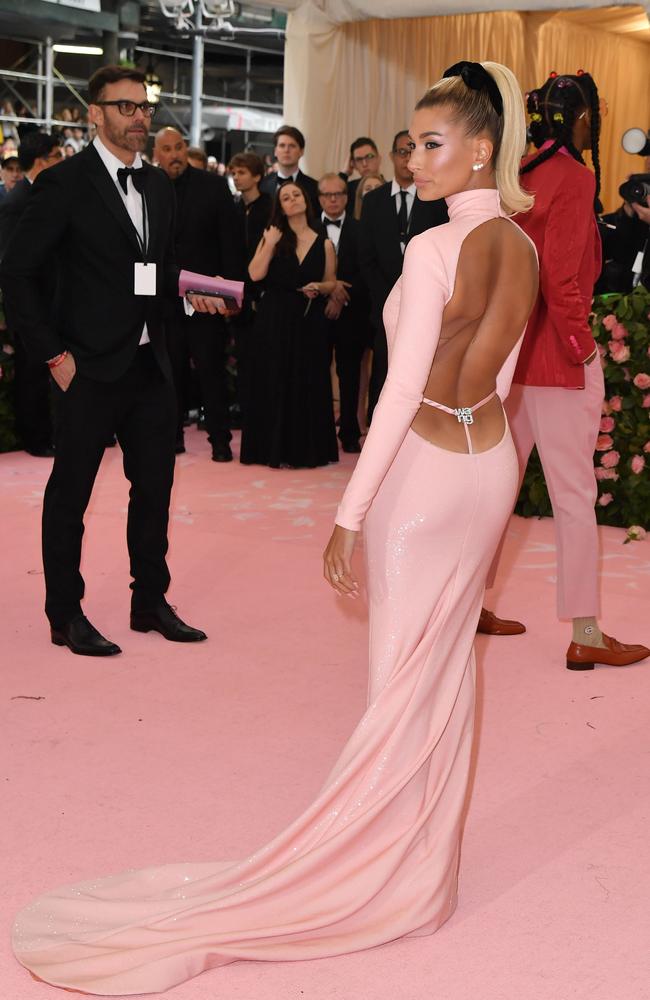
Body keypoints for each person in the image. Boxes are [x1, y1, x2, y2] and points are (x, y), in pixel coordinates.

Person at [10, 60, 539, 996]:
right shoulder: (521, 245)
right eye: (412, 144)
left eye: (432, 143)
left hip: (422, 470)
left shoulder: (429, 252)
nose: (415, 160)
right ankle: (427, 873)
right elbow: (497, 387)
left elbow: (400, 394)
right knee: (450, 669)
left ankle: (389, 884)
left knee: (396, 685)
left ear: (483, 147)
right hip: (489, 466)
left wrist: (349, 512)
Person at [0, 66, 209, 657]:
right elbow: (17, 271)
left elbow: (154, 269)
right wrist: (52, 354)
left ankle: (150, 602)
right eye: (125, 107)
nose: (138, 118)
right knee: (71, 495)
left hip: (150, 364)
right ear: (95, 113)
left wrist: (189, 291)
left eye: (144, 108)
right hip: (85, 366)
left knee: (155, 490)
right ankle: (64, 613)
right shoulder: (64, 183)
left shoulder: (160, 186)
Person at [481, 72, 649, 669]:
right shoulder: (575, 177)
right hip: (558, 357)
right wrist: (582, 346)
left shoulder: (518, 173)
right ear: (581, 120)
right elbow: (560, 278)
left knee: (497, 490)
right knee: (575, 498)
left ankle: (469, 604)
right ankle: (587, 632)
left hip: (511, 357)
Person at [153, 126, 243, 461]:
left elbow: (230, 240)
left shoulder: (213, 185)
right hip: (164, 299)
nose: (174, 154)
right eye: (167, 149)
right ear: (156, 153)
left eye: (179, 147)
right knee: (168, 371)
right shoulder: (147, 187)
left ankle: (219, 440)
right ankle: (171, 437)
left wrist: (230, 292)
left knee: (212, 372)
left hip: (207, 296)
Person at [241, 181, 338, 468]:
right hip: (273, 317)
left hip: (308, 318)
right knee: (273, 380)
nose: (292, 199)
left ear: (306, 201)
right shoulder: (272, 236)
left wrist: (319, 287)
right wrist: (269, 243)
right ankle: (269, 449)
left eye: (296, 195)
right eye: (286, 197)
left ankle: (305, 450)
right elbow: (255, 275)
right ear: (280, 206)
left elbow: (332, 280)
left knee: (306, 381)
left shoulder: (324, 242)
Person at [359, 129, 448, 422]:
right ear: (392, 157)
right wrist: (387, 299)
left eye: (413, 150)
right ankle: (376, 435)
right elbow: (367, 259)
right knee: (382, 372)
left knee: (421, 376)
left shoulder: (436, 199)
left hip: (426, 306)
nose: (407, 157)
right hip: (384, 305)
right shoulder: (374, 201)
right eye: (401, 151)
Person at [0, 131, 63, 457]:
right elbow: (10, 266)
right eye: (57, 157)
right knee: (31, 375)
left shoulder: (37, 196)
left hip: (45, 303)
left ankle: (43, 434)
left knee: (40, 373)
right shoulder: (18, 202)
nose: (61, 163)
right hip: (28, 307)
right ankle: (35, 439)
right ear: (42, 160)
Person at [318, 171, 372, 453]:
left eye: (338, 193)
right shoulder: (311, 228)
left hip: (352, 315)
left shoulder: (361, 228)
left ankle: (350, 433)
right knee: (316, 373)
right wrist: (330, 290)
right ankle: (320, 432)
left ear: (347, 197)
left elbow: (366, 269)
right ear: (319, 199)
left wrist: (341, 295)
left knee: (350, 376)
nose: (333, 199)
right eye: (327, 194)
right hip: (317, 314)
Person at [229, 151, 272, 420]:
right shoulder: (232, 208)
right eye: (234, 173)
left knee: (263, 359)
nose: (236, 177)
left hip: (263, 295)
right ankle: (245, 413)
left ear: (257, 176)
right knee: (241, 358)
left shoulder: (270, 208)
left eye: (242, 172)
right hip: (237, 294)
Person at [260, 125, 320, 216]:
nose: (286, 150)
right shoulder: (262, 184)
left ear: (301, 151)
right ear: (275, 151)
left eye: (292, 146)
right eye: (282, 145)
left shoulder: (315, 188)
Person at [339, 136, 381, 203]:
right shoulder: (349, 190)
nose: (364, 164)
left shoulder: (391, 188)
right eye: (359, 159)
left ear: (378, 159)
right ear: (353, 164)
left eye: (369, 157)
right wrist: (344, 174)